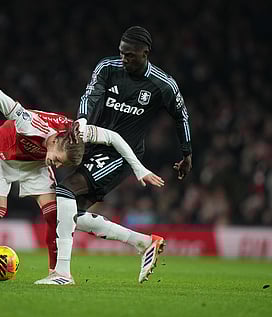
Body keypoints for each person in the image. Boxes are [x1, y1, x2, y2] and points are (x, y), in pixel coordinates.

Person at [0, 57, 165, 274]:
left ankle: (56, 273)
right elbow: (3, 100)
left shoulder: (76, 132)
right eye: (60, 160)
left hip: (34, 164)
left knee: (56, 214)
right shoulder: (31, 124)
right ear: (54, 142)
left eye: (61, 164)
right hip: (1, 156)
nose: (59, 166)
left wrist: (139, 169)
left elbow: (114, 137)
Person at [35, 26, 193, 285]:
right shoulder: (107, 68)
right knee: (71, 213)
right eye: (121, 53)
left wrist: (187, 153)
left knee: (65, 191)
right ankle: (144, 242)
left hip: (122, 154)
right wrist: (83, 120)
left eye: (130, 55)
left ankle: (62, 273)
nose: (124, 59)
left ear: (145, 53)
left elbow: (181, 117)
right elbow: (91, 94)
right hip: (93, 145)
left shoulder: (163, 85)